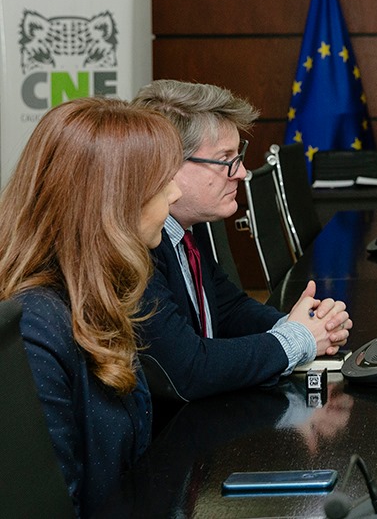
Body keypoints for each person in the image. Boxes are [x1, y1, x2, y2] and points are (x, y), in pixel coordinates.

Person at [0, 98, 183, 514]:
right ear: (111, 203)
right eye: (162, 183)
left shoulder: (89, 298)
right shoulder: (33, 328)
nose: (176, 193)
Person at [132, 80, 351, 401]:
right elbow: (187, 369)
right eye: (226, 159)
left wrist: (302, 325)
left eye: (239, 156)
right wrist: (297, 339)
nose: (242, 173)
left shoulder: (190, 227)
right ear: (169, 164)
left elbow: (227, 308)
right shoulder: (137, 246)